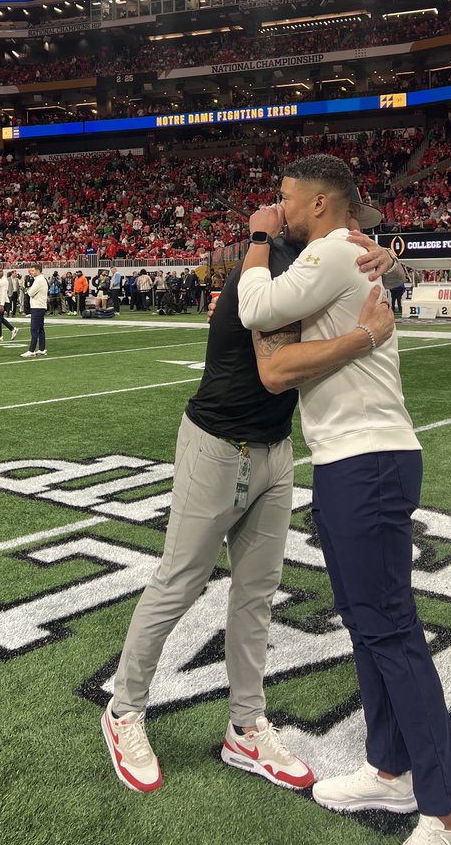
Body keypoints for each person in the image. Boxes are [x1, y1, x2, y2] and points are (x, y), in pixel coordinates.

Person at [101, 181, 400, 796]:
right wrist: (265, 241)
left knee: (257, 594)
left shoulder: (311, 261)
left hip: (274, 448)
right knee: (179, 580)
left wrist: (392, 260)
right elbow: (273, 372)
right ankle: (124, 709)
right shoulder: (268, 268)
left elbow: (372, 275)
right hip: (218, 445)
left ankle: (245, 727)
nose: (354, 237)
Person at [238, 155, 451, 845]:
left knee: (391, 630)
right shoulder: (351, 251)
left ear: (320, 205)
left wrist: (257, 241)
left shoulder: (332, 251)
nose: (279, 210)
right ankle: (391, 768)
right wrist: (391, 255)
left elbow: (255, 305)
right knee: (366, 622)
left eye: (287, 201)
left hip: (368, 460)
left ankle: (450, 815)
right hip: (357, 458)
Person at [21, 263, 48, 358]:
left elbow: (30, 292)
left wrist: (28, 290)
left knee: (34, 329)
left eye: (33, 271)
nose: (31, 273)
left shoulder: (39, 280)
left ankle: (31, 350)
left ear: (38, 270)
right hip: (39, 306)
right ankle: (42, 349)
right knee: (40, 329)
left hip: (37, 307)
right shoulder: (39, 279)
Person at [0, 267, 19, 343]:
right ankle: (13, 329)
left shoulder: (4, 280)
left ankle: (0, 336)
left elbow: (3, 293)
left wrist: (1, 304)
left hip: (2, 301)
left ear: (2, 272)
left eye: (0, 271)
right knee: (0, 319)